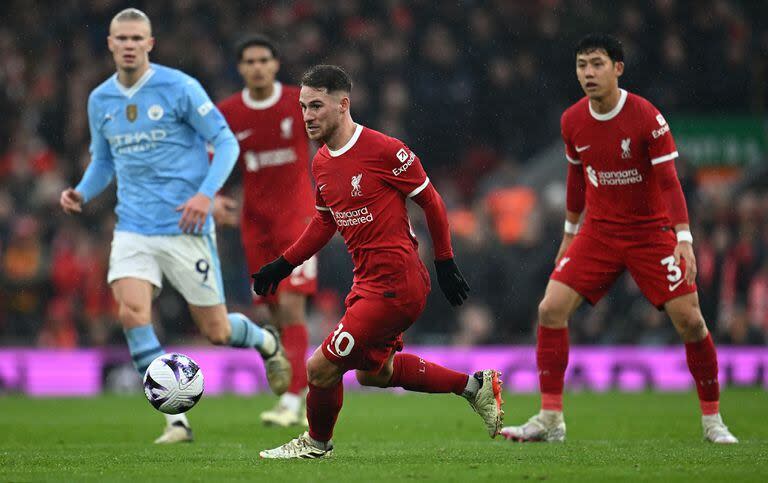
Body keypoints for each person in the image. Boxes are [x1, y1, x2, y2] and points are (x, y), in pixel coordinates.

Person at [59, 8, 291, 444]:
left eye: (136, 38)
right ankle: (175, 420)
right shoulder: (100, 100)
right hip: (133, 228)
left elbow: (224, 143)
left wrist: (205, 195)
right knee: (131, 312)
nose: (128, 44)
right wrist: (82, 192)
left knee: (216, 331)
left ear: (150, 43)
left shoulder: (179, 88)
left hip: (186, 226)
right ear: (110, 44)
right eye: (121, 38)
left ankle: (265, 341)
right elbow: (104, 161)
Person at [252, 65, 504, 459]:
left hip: (395, 284)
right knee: (376, 373)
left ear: (343, 104)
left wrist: (445, 262)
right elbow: (324, 221)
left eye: (316, 105)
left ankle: (316, 444)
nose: (308, 116)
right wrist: (282, 265)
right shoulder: (321, 162)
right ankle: (475, 387)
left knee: (320, 368)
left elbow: (432, 202)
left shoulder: (385, 150)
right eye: (302, 107)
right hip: (368, 283)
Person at [500, 34, 737, 444]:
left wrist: (683, 237)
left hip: (650, 233)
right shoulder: (572, 120)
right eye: (581, 65)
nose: (588, 73)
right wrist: (569, 234)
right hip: (600, 232)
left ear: (617, 68)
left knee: (691, 321)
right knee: (551, 309)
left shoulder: (646, 116)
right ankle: (551, 418)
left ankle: (713, 421)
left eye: (596, 64)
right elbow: (576, 180)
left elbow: (669, 182)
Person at [215, 35, 315, 428]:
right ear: (241, 68)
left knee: (292, 308)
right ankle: (303, 392)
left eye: (263, 60)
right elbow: (214, 159)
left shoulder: (298, 100)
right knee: (274, 313)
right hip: (255, 224)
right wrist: (215, 198)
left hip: (298, 220)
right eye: (249, 61)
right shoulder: (229, 112)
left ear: (275, 64)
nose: (257, 67)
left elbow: (333, 136)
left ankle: (291, 403)